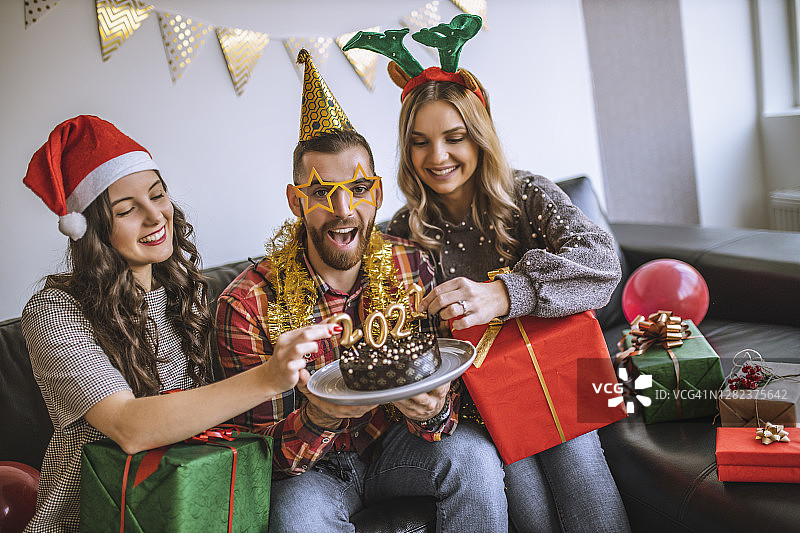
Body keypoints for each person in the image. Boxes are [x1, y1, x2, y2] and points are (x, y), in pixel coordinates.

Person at [346, 15, 630, 533]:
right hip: (482, 406)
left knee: (577, 455)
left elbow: (603, 263)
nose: (438, 156)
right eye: (419, 142)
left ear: (479, 136)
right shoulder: (400, 235)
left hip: (565, 376)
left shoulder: (527, 196)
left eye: (455, 137)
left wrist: (506, 292)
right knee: (521, 486)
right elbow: (402, 341)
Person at [215, 50, 507, 532]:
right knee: (296, 518)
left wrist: (434, 411)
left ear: (377, 193)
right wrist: (317, 416)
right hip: (313, 472)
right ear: (295, 201)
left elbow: (442, 392)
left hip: (396, 445)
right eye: (322, 191)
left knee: (473, 458)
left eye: (357, 188)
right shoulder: (246, 304)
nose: (344, 208)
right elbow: (255, 460)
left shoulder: (412, 264)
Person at [20, 115, 330, 533]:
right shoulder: (54, 311)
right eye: (127, 210)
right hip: (97, 519)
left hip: (193, 507)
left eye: (158, 195)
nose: (155, 216)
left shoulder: (188, 294)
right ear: (90, 229)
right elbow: (128, 426)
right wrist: (269, 376)